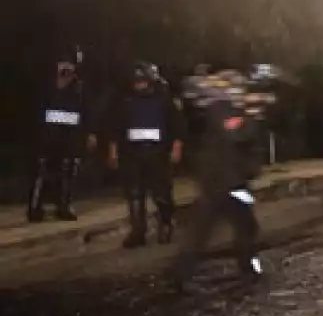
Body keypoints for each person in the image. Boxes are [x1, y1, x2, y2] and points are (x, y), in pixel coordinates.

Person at [171, 71, 263, 290]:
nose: (241, 93)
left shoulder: (220, 109)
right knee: (242, 228)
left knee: (210, 230)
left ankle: (182, 274)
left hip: (224, 180)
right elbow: (239, 135)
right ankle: (249, 270)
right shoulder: (222, 110)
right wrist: (253, 116)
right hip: (226, 181)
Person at [107, 61, 187, 248]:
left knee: (161, 193)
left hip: (158, 153)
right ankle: (138, 231)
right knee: (134, 194)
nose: (139, 84)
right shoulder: (125, 100)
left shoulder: (165, 100)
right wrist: (113, 151)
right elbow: (116, 127)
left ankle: (165, 224)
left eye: (143, 81)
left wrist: (176, 148)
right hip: (132, 154)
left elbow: (178, 126)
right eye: (137, 81)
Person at [28, 48, 94, 222]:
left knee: (69, 170)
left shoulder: (79, 88)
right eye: (63, 64)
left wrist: (90, 133)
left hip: (70, 138)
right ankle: (35, 208)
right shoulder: (46, 84)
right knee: (42, 171)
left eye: (70, 65)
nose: (66, 68)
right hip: (48, 136)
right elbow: (36, 108)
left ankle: (63, 206)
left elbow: (87, 111)